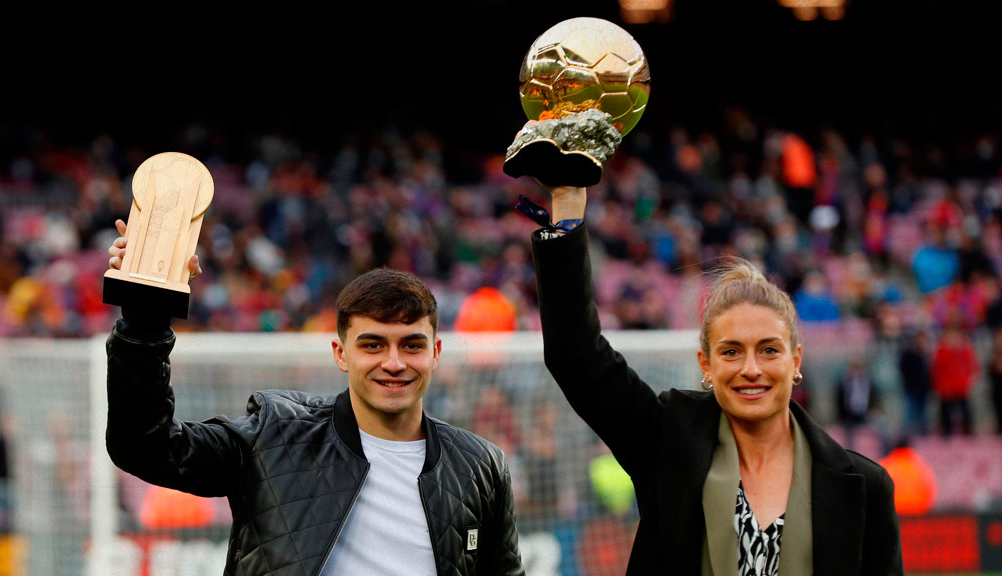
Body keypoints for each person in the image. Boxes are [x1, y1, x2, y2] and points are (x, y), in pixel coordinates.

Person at [524, 177, 903, 574]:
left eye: (769, 350)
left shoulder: (864, 487)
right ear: (706, 364)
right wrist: (567, 203)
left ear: (796, 361)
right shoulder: (667, 439)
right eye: (731, 351)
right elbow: (576, 355)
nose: (751, 368)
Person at [104, 220, 524, 576]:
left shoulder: (480, 466)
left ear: (435, 353)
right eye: (373, 345)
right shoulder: (275, 434)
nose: (394, 363)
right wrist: (145, 318)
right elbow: (145, 447)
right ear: (341, 354)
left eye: (412, 345)